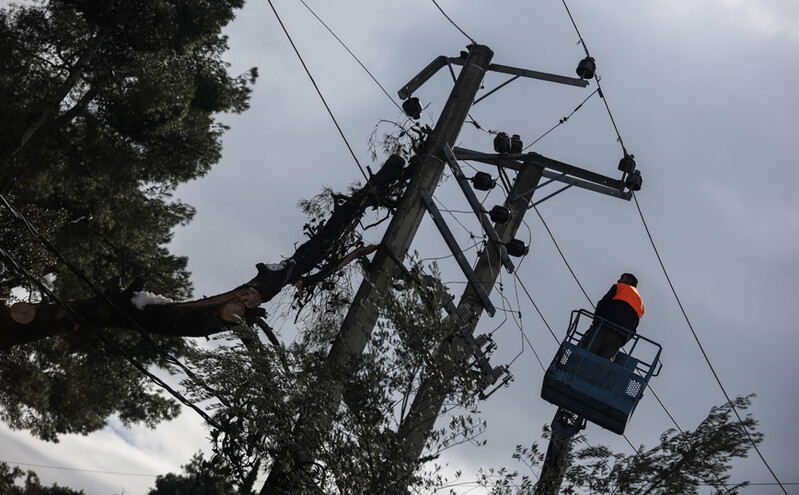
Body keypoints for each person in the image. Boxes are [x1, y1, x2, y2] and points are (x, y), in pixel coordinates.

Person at [581, 273, 644, 360]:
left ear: (630, 281)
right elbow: (634, 329)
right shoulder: (641, 305)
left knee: (583, 355)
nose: (619, 280)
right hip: (618, 339)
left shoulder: (620, 286)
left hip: (603, 328)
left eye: (622, 278)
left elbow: (603, 303)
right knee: (600, 365)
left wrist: (595, 322)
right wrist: (623, 340)